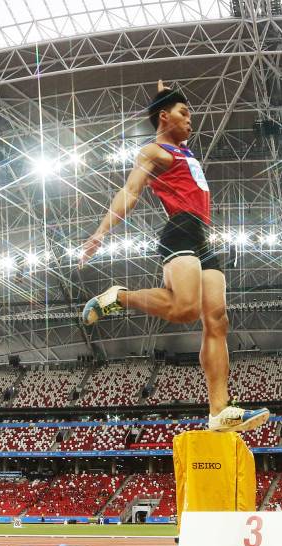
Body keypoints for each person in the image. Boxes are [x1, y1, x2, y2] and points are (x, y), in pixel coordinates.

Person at [79, 80, 269, 433]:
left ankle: (219, 411)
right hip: (179, 230)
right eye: (184, 113)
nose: (191, 120)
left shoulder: (185, 152)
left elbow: (170, 113)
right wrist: (101, 233)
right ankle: (117, 297)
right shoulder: (154, 152)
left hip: (203, 237)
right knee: (184, 310)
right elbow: (130, 192)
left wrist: (167, 92)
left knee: (217, 321)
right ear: (164, 118)